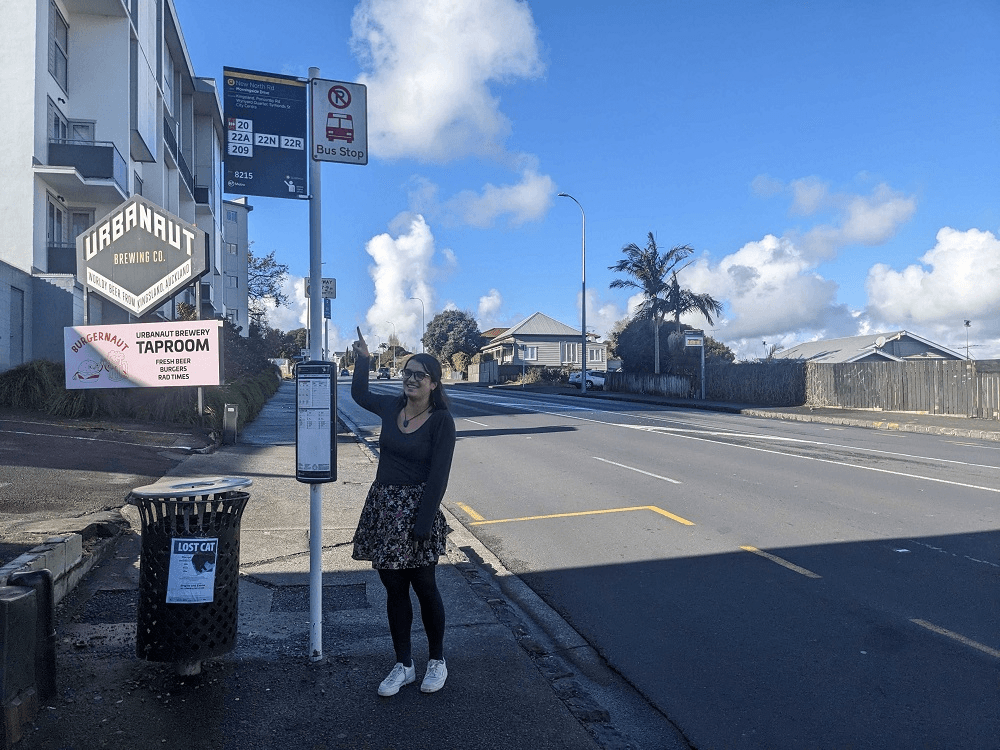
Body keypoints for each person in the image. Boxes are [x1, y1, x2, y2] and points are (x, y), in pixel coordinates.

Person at [350, 328, 457, 696]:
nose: (411, 379)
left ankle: (437, 661)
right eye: (408, 372)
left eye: (419, 375)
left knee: (424, 585)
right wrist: (363, 360)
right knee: (394, 587)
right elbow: (359, 393)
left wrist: (423, 523)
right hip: (384, 506)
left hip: (417, 511)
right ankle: (403, 664)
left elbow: (439, 475)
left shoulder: (442, 421)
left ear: (433, 384)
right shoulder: (392, 406)